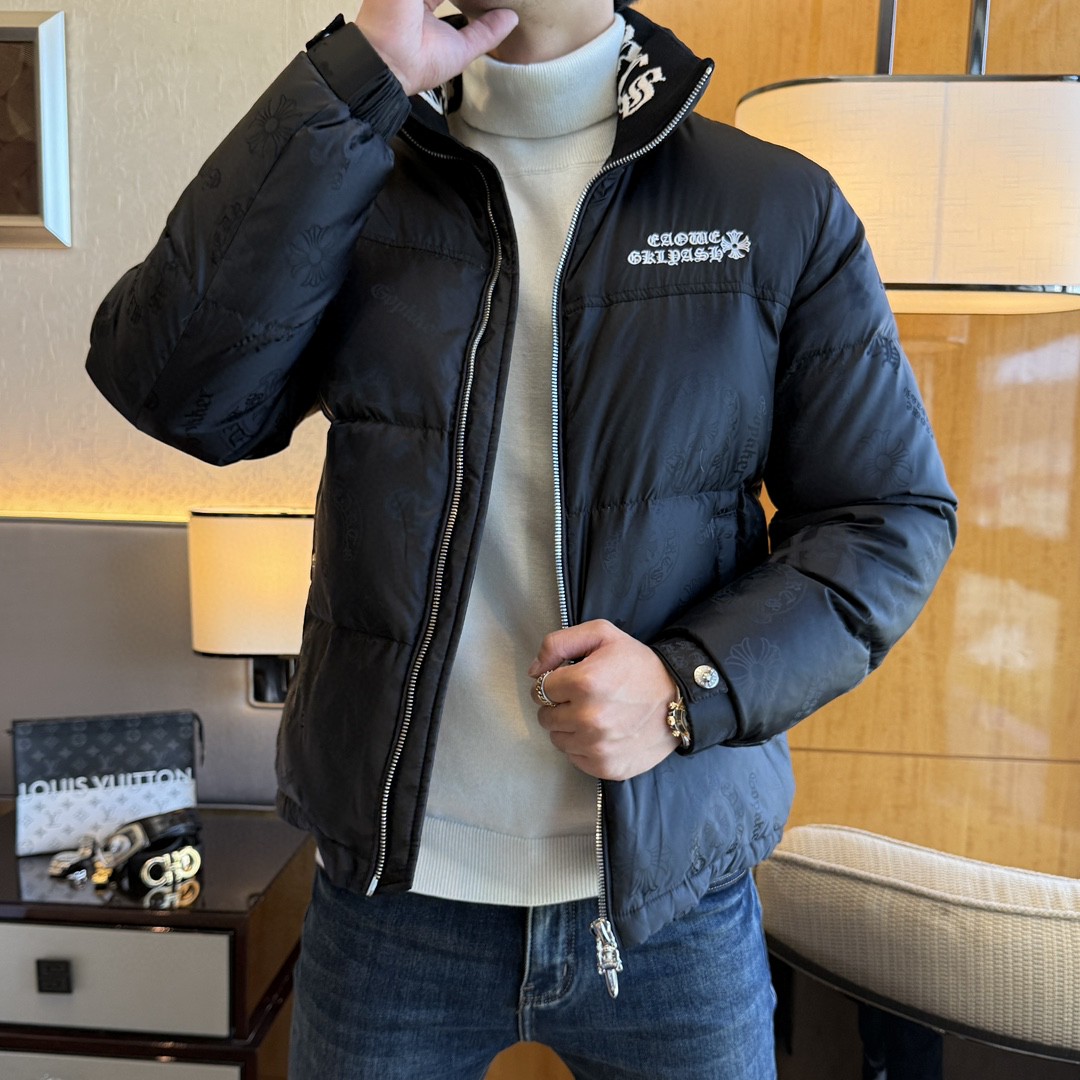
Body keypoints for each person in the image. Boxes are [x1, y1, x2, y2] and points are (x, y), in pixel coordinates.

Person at [85, 0, 958, 1076]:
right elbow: (175, 392)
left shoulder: (773, 205)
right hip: (391, 902)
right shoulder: (359, 171)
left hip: (670, 904)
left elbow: (888, 518)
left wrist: (689, 685)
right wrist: (358, 78)